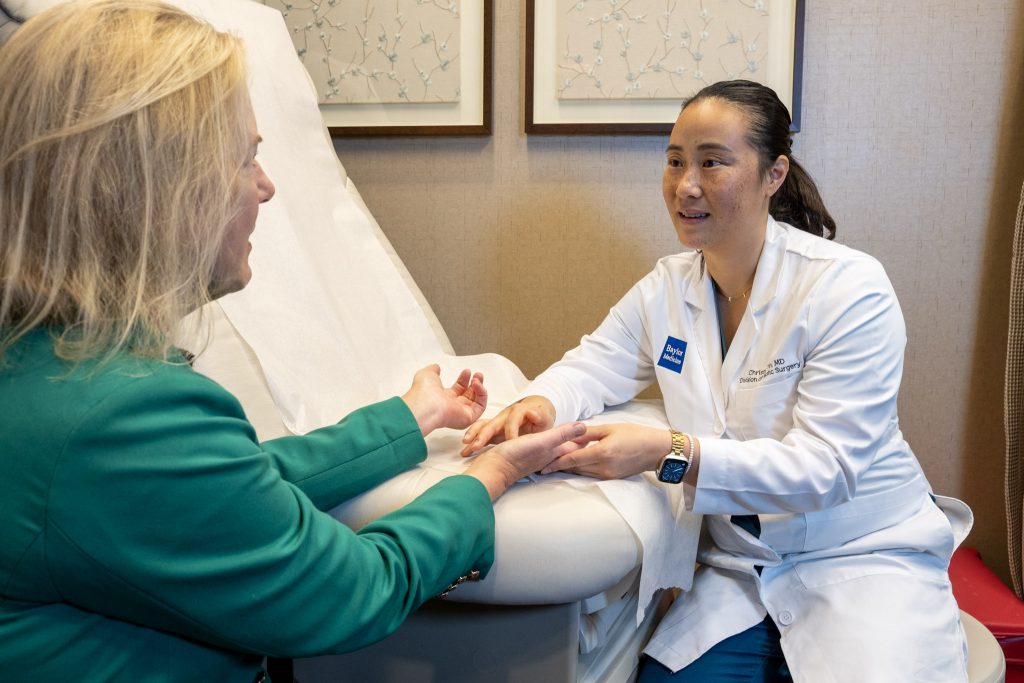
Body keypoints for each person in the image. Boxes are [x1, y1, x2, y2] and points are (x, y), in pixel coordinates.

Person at [0, 1, 587, 680]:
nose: (267, 187)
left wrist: (410, 417)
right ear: (159, 187)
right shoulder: (123, 413)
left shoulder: (49, 364)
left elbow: (235, 481)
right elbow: (353, 591)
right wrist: (493, 474)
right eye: (246, 158)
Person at [463, 80, 969, 682]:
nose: (686, 186)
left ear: (773, 174)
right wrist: (538, 404)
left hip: (862, 555)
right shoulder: (667, 288)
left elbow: (826, 469)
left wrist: (668, 451)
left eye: (713, 162)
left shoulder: (847, 289)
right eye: (675, 161)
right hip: (741, 571)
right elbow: (592, 363)